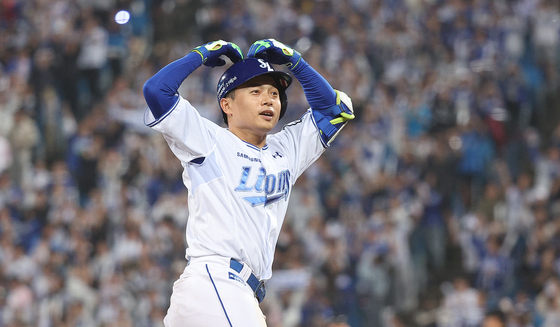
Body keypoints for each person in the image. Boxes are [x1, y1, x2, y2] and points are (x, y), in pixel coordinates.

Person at [142, 39, 354, 327]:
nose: (269, 99)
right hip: (216, 283)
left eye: (275, 93)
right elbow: (157, 91)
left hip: (236, 294)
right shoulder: (209, 140)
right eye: (255, 91)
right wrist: (202, 55)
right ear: (226, 104)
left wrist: (295, 61)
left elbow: (335, 110)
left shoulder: (286, 150)